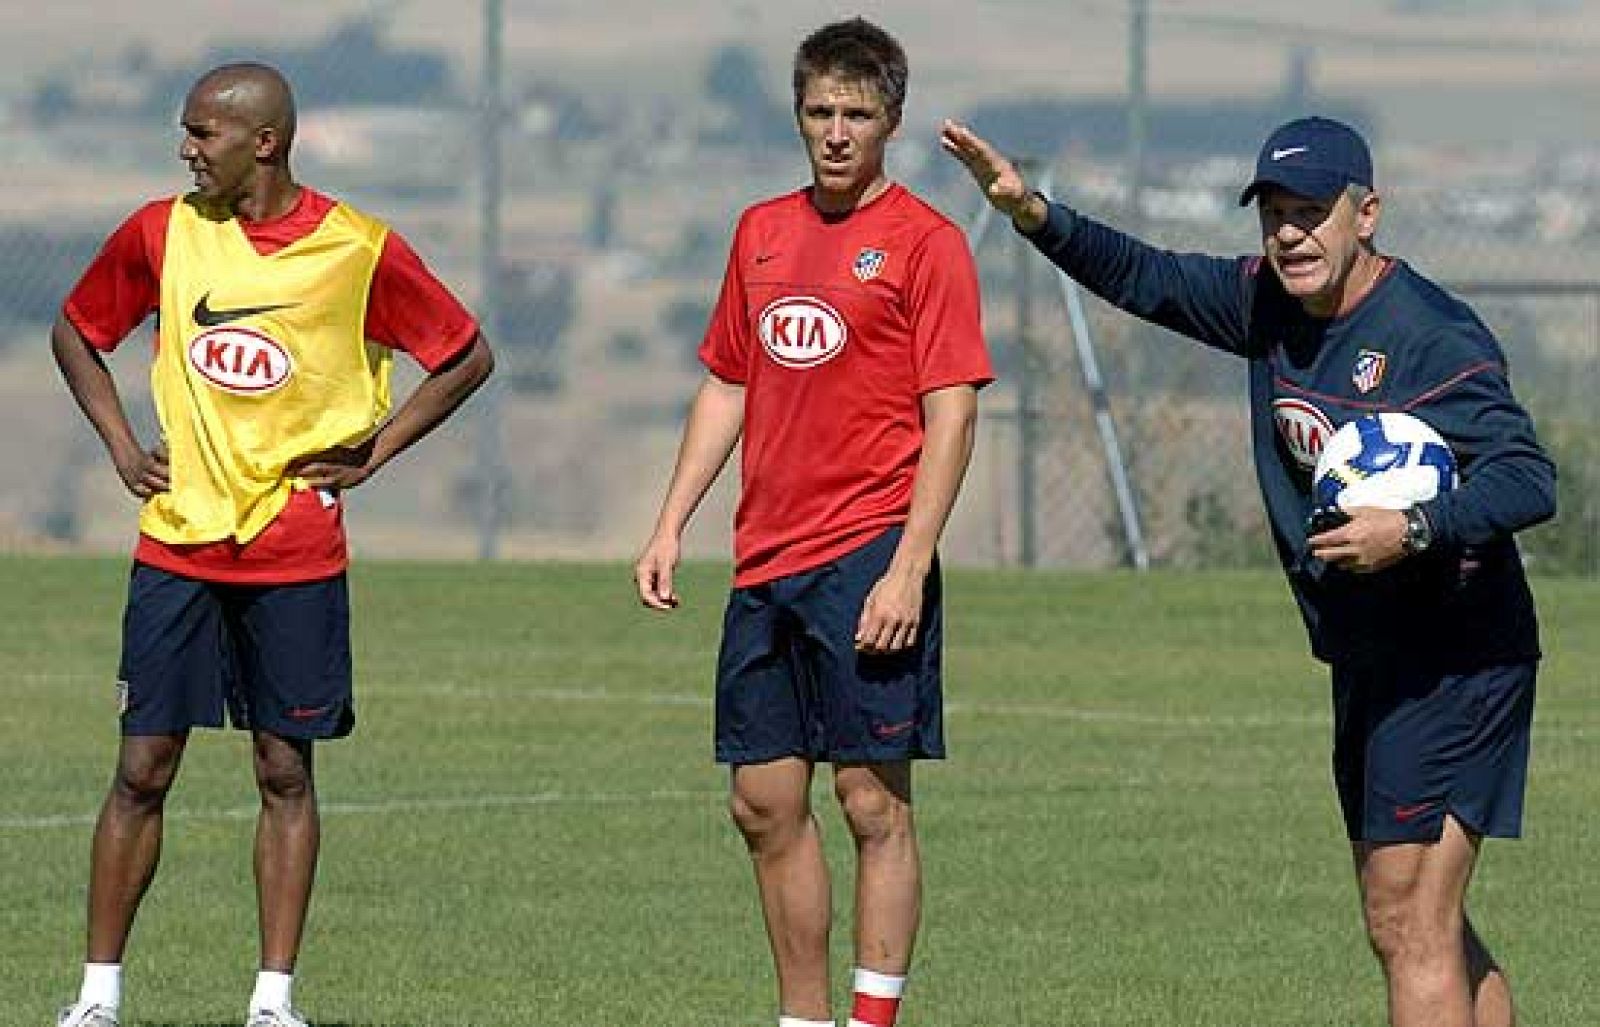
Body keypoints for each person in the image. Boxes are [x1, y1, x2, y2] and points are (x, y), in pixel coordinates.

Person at [941, 114, 1554, 1027]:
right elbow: (1147, 277)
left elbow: (1527, 477)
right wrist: (1033, 212)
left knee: (1408, 920)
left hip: (1459, 655)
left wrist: (1416, 525)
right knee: (1418, 919)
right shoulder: (1266, 300)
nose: (1290, 234)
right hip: (1373, 652)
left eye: (1312, 212)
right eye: (1274, 213)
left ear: (1367, 214)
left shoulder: (1432, 336)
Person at [50, 63, 494, 1027]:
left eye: (203, 133)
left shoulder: (357, 249)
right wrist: (124, 444)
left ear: (265, 142)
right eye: (185, 131)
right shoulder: (160, 232)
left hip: (295, 550)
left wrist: (376, 451)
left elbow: (465, 355)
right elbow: (78, 331)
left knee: (284, 771)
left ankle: (273, 1001)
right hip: (177, 545)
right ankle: (95, 997)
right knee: (141, 769)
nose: (186, 150)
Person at [635, 19, 992, 1027]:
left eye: (857, 114)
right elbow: (728, 381)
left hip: (870, 551)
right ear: (798, 114)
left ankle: (869, 1018)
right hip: (765, 563)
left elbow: (953, 411)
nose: (836, 132)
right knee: (761, 804)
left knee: (870, 801)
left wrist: (908, 565)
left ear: (892, 122)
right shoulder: (759, 232)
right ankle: (801, 1017)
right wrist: (669, 524)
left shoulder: (928, 243)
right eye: (820, 112)